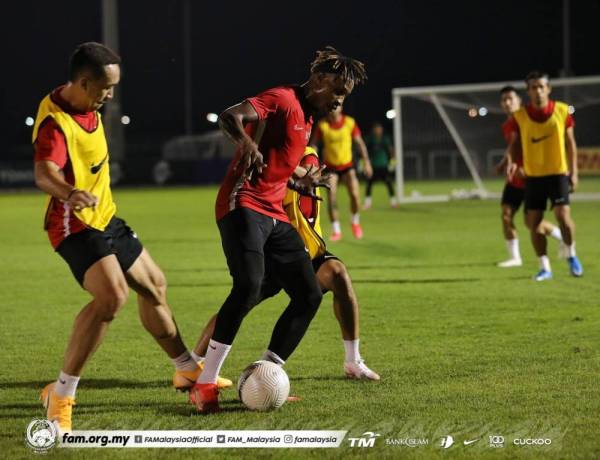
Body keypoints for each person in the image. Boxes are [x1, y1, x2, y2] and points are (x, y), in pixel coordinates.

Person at [33, 42, 200, 434]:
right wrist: (69, 192)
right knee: (112, 297)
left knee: (155, 286)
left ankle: (187, 370)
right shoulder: (57, 123)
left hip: (105, 217)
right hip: (74, 223)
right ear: (84, 82)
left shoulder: (87, 104)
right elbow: (44, 172)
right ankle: (61, 394)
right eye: (106, 88)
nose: (111, 95)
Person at [189, 47, 367, 413]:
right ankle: (204, 384)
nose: (338, 101)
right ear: (317, 80)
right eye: (336, 91)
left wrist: (298, 184)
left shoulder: (308, 117)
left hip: (274, 213)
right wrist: (246, 142)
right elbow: (229, 116)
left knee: (308, 294)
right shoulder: (282, 98)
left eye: (343, 95)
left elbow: (280, 164)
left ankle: (267, 374)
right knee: (249, 285)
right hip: (243, 204)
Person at [187, 147, 379, 386]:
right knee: (242, 301)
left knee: (338, 275)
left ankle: (352, 361)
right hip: (275, 251)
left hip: (306, 249)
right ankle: (193, 364)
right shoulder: (268, 160)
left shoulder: (308, 156)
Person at [506, 71, 583, 280]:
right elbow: (515, 144)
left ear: (548, 89)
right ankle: (545, 267)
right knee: (534, 223)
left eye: (541, 86)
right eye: (533, 87)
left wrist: (574, 172)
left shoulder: (562, 111)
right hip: (533, 177)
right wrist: (514, 163)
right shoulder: (519, 116)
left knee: (563, 218)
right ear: (528, 91)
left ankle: (571, 255)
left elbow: (570, 144)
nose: (538, 91)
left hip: (558, 174)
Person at [495, 86, 564, 268]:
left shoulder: (527, 119)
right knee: (506, 215)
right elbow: (514, 147)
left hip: (531, 177)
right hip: (515, 178)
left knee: (531, 222)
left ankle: (561, 236)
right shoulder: (507, 125)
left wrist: (526, 167)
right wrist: (506, 162)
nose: (507, 103)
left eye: (510, 98)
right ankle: (515, 258)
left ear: (519, 100)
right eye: (504, 100)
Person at [310, 105, 373, 240]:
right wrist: (312, 163)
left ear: (341, 108)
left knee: (355, 196)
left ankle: (355, 222)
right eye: (330, 106)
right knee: (332, 198)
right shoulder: (322, 125)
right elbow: (314, 145)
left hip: (348, 166)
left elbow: (360, 143)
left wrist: (367, 162)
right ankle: (336, 230)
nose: (332, 108)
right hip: (331, 168)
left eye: (336, 106)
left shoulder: (349, 122)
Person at [363, 122, 396, 209]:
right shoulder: (370, 139)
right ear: (374, 130)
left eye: (379, 129)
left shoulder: (385, 139)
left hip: (383, 165)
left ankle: (393, 202)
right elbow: (364, 150)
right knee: (369, 184)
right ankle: (367, 203)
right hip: (373, 165)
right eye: (376, 129)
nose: (378, 131)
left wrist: (392, 162)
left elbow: (391, 151)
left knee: (389, 183)